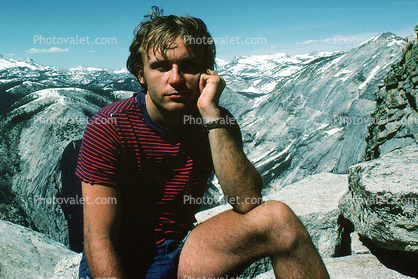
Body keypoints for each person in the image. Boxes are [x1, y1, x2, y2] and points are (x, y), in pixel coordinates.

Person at [76, 6, 330, 279]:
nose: (175, 79)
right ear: (141, 74)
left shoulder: (218, 122)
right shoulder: (109, 128)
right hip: (123, 259)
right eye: (161, 67)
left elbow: (247, 200)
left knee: (279, 221)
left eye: (188, 66)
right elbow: (98, 238)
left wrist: (212, 116)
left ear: (206, 73)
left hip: (184, 248)